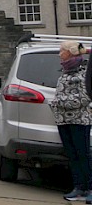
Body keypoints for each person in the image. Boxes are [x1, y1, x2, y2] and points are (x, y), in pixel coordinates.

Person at [49, 41, 92, 202]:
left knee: (83, 154)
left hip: (80, 120)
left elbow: (85, 96)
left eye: (62, 51)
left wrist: (59, 102)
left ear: (71, 53)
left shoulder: (83, 72)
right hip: (63, 120)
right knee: (72, 155)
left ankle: (90, 187)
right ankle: (79, 187)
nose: (60, 54)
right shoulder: (64, 72)